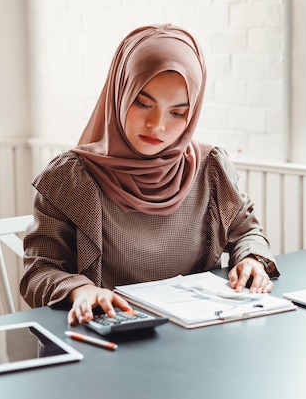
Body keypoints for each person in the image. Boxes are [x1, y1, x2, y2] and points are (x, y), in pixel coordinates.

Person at [21, 24, 280, 326]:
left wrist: (251, 259)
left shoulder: (210, 168)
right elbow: (39, 271)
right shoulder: (72, 178)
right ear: (120, 92)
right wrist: (80, 289)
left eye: (178, 112)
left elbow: (246, 231)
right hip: (108, 344)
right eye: (143, 103)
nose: (157, 125)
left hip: (197, 337)